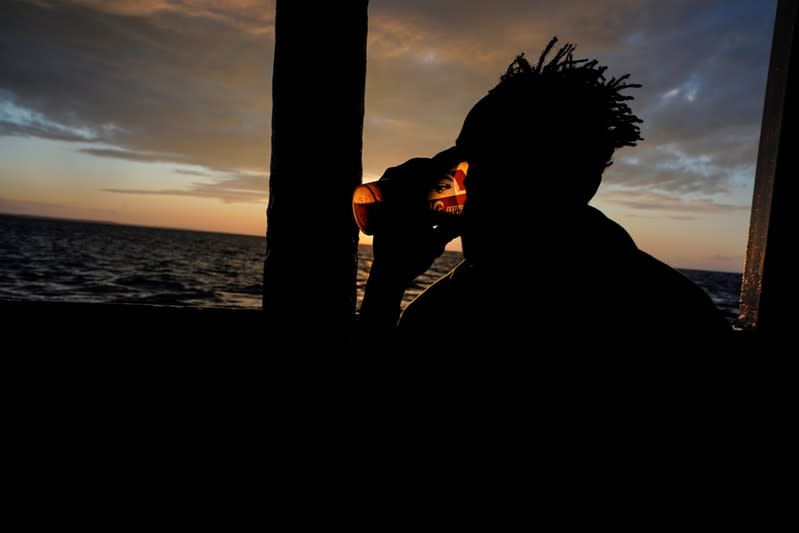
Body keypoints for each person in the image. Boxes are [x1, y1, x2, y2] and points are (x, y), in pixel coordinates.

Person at [358, 37, 733, 349]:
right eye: (462, 157)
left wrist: (386, 287)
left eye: (492, 159)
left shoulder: (449, 314)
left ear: (566, 180)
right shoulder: (672, 303)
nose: (462, 177)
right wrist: (389, 280)